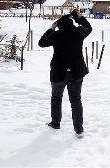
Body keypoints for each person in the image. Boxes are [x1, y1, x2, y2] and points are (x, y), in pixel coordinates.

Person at [39, 9, 92, 138]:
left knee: (56, 98)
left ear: (59, 25)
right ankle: (79, 128)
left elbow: (42, 43)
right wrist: (79, 17)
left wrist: (52, 29)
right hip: (76, 73)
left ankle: (55, 122)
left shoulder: (57, 35)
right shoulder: (78, 32)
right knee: (75, 99)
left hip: (59, 73)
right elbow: (88, 27)